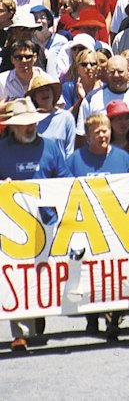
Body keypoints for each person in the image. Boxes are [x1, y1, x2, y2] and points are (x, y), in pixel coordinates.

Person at [0, 97, 68, 351]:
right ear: (12, 127)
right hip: (13, 229)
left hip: (47, 224)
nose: (30, 128)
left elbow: (65, 181)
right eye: (24, 124)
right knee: (15, 276)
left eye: (33, 123)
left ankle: (38, 310)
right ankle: (20, 333)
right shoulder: (1, 150)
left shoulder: (50, 147)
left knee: (43, 276)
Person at [67, 113, 129, 340]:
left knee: (115, 273)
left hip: (117, 227)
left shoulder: (124, 158)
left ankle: (114, 319)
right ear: (87, 136)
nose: (103, 135)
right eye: (97, 132)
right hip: (86, 228)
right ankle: (92, 316)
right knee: (90, 273)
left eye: (105, 130)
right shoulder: (75, 160)